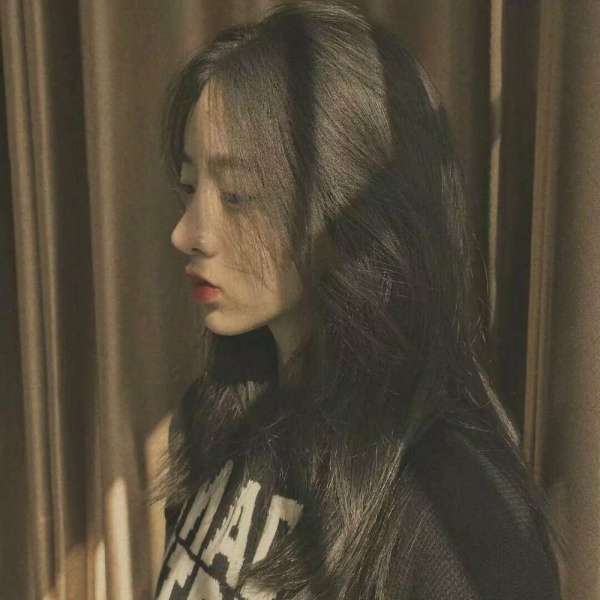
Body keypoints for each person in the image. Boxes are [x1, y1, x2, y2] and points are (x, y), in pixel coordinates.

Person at [149, 1, 565, 598]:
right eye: (190, 188)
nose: (185, 233)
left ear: (354, 211)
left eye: (237, 195)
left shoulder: (453, 504)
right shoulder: (211, 416)